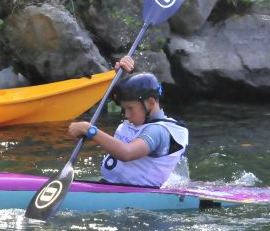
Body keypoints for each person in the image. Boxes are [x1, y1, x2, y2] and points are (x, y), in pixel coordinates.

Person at [67, 56, 190, 188]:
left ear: (150, 102)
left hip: (139, 198)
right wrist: (121, 74)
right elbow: (129, 96)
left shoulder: (158, 131)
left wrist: (90, 131)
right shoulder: (140, 119)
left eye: (130, 108)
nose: (126, 115)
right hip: (112, 186)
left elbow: (127, 153)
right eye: (124, 109)